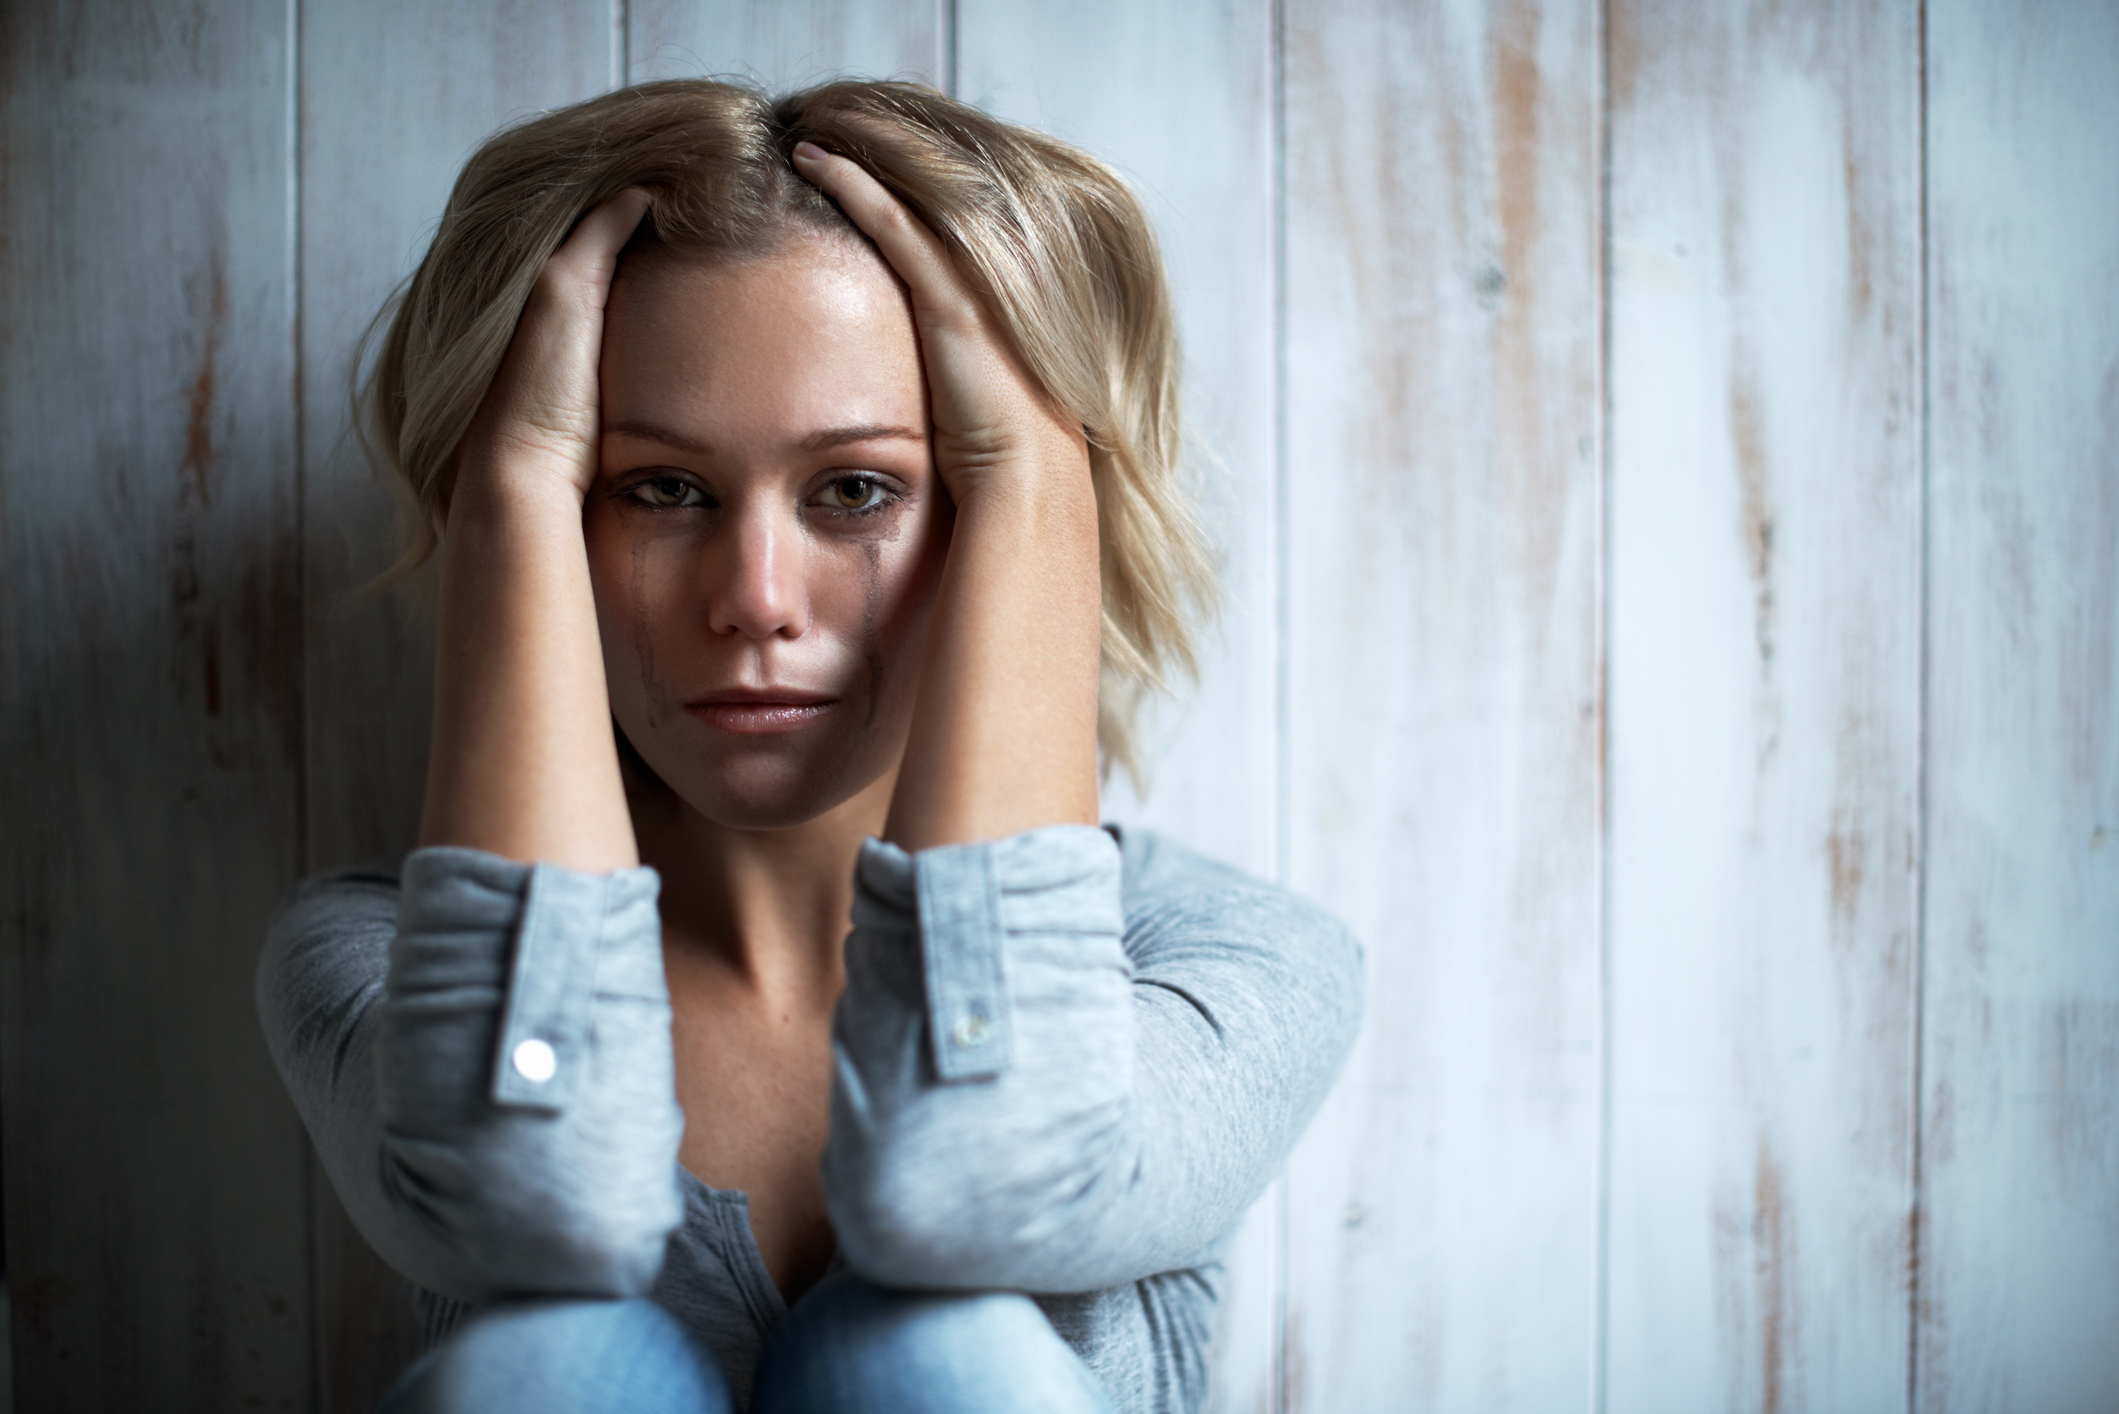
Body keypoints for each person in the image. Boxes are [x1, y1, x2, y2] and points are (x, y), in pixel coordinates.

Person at [257, 77, 1361, 1414]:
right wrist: (508, 488)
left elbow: (982, 1179)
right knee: (543, 1364)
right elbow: (527, 1200)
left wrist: (1040, 479)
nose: (758, 597)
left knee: (938, 1354)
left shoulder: (1234, 963)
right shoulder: (374, 961)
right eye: (659, 488)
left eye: (858, 489)